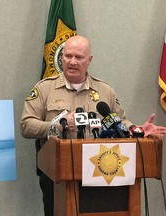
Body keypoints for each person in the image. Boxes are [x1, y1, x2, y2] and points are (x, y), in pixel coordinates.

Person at [20, 35, 166, 216]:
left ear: (89, 60)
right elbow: (26, 126)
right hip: (57, 175)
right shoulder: (44, 89)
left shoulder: (105, 91)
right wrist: (59, 127)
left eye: (79, 57)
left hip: (100, 173)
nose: (72, 62)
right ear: (62, 57)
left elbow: (118, 121)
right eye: (68, 56)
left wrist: (135, 130)